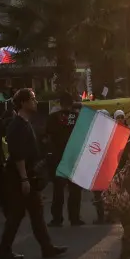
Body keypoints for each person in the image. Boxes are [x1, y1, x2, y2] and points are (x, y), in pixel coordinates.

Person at [0, 88, 67, 259]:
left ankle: (47, 247)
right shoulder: (17, 125)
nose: (36, 102)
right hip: (20, 177)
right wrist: (24, 179)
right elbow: (17, 154)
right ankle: (4, 250)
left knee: (36, 213)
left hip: (29, 175)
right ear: (23, 102)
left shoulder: (26, 122)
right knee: (16, 214)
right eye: (32, 99)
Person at [46, 93, 84, 226]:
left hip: (58, 158)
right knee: (75, 190)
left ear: (60, 103)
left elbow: (46, 137)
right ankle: (75, 218)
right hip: (74, 157)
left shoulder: (52, 118)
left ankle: (57, 218)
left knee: (58, 190)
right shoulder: (78, 118)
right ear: (72, 103)